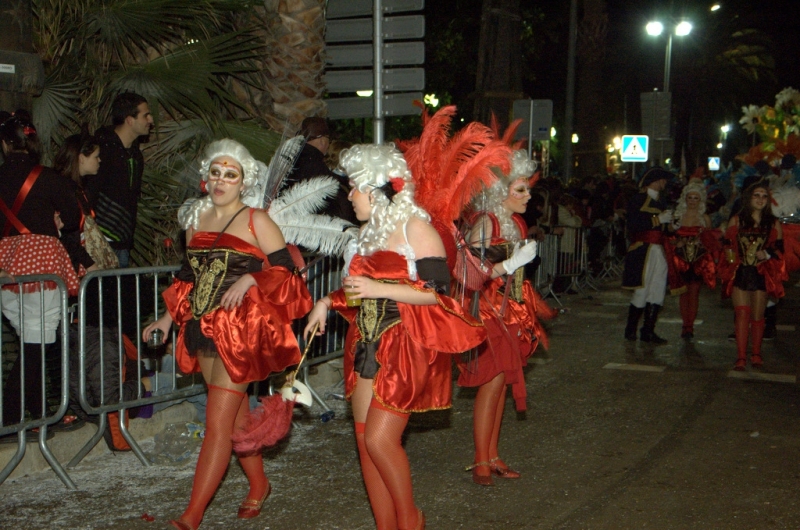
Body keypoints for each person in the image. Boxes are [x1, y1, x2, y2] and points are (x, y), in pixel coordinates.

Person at [303, 144, 486, 530]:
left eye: (353, 187)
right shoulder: (368, 233)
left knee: (380, 442)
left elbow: (438, 295)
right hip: (364, 343)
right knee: (365, 443)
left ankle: (410, 520)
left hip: (404, 344)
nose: (348, 195)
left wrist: (376, 289)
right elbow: (359, 288)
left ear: (374, 189)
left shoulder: (415, 228)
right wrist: (327, 302)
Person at [142, 139, 312, 530]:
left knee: (217, 425)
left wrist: (252, 277)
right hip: (202, 328)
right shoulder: (195, 220)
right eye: (215, 172)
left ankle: (191, 516)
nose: (220, 181)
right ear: (206, 177)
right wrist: (166, 321)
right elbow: (187, 279)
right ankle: (259, 484)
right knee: (234, 424)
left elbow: (288, 272)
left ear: (243, 181)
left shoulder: (257, 220)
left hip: (242, 331)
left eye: (230, 174)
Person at [456, 150, 556, 486]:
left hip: (511, 311)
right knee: (492, 383)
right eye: (520, 190)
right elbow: (468, 273)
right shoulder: (488, 222)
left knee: (501, 386)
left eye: (528, 189)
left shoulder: (515, 223)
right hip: (487, 312)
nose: (528, 196)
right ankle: (481, 462)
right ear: (501, 192)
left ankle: (492, 455)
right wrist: (509, 265)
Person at [0, 111, 81, 427]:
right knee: (38, 342)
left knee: (29, 340)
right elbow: (74, 219)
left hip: (6, 267)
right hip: (43, 267)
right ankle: (10, 415)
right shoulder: (49, 178)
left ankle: (37, 411)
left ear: (6, 144)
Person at [718, 177, 786, 371]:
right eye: (757, 195)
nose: (760, 199)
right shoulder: (737, 220)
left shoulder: (773, 223)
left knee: (757, 316)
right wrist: (731, 260)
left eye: (764, 196)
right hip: (741, 272)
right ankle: (740, 357)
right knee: (741, 314)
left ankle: (756, 354)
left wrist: (767, 253)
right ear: (749, 198)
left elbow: (780, 249)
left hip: (761, 273)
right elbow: (728, 246)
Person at [85, 92, 153, 267]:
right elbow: (88, 191)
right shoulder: (102, 149)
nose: (151, 120)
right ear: (130, 120)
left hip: (123, 239)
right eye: (145, 115)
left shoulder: (135, 154)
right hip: (99, 239)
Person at [622, 167, 674, 344]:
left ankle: (648, 331)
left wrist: (671, 225)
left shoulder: (662, 201)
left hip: (659, 249)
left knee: (657, 289)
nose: (664, 183)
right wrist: (658, 220)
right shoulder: (637, 200)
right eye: (662, 179)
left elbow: (664, 229)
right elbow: (634, 224)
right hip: (643, 249)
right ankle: (631, 330)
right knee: (641, 290)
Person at [665, 181, 719, 339]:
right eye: (690, 197)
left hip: (698, 260)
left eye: (696, 198)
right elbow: (669, 238)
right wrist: (677, 242)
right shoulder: (677, 217)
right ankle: (684, 324)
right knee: (683, 293)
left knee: (694, 293)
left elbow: (710, 241)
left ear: (700, 199)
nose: (693, 201)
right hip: (680, 260)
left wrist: (700, 243)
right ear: (685, 199)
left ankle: (690, 326)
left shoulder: (705, 218)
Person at [282, 116, 358, 225]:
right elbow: (341, 208)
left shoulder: (290, 161)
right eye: (328, 140)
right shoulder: (317, 166)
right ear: (322, 141)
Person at [52, 131, 102, 274]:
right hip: (68, 264)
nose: (99, 161)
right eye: (96, 156)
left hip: (78, 263)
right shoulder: (61, 189)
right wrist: (88, 262)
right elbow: (65, 234)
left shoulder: (79, 188)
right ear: (81, 158)